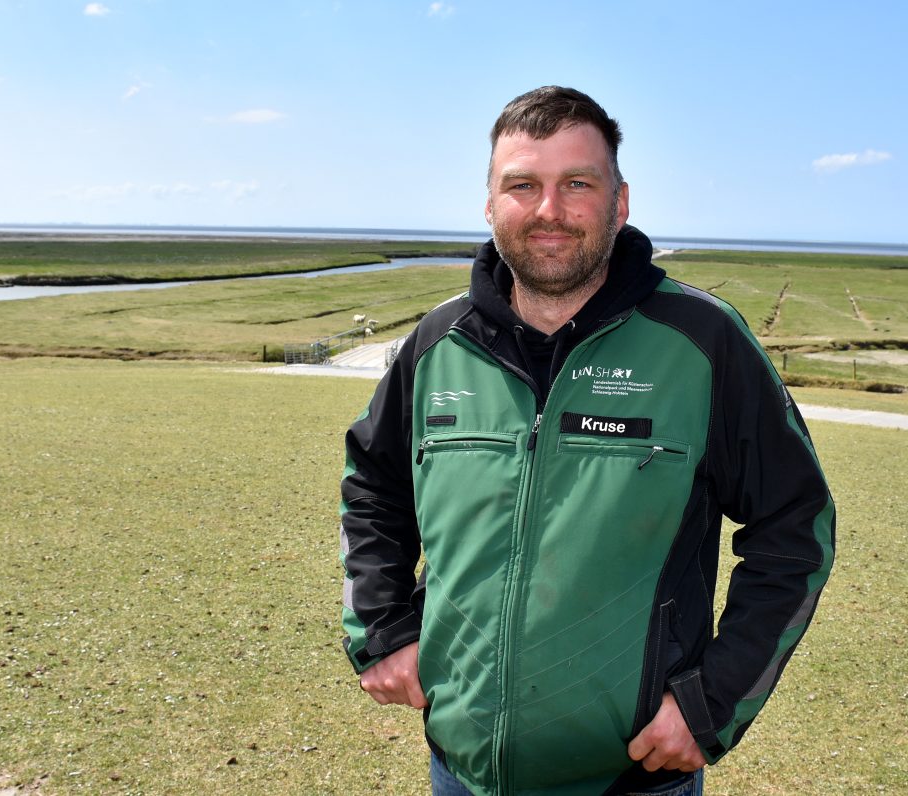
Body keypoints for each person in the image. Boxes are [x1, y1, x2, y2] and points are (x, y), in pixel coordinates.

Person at [339, 86, 835, 795]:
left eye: (578, 183)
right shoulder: (438, 343)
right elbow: (373, 485)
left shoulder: (702, 342)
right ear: (489, 204)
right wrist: (382, 630)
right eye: (523, 185)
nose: (549, 209)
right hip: (462, 771)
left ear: (620, 202)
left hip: (634, 775)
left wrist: (711, 702)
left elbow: (796, 527)